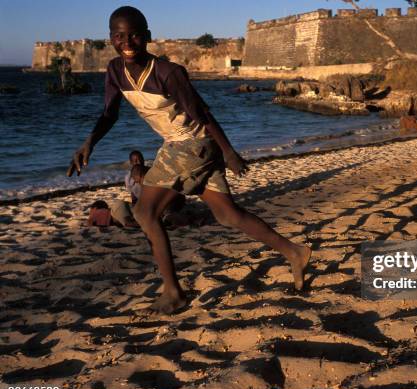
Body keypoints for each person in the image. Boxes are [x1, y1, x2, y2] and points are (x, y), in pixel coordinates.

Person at [67, 6, 311, 314]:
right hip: (185, 146)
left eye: (134, 35)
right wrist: (89, 143)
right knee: (227, 214)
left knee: (144, 212)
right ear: (110, 38)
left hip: (192, 145)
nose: (127, 42)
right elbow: (109, 114)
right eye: (119, 36)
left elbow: (202, 113)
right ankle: (295, 253)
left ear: (148, 38)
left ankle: (173, 293)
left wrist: (229, 151)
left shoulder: (168, 72)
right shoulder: (115, 70)